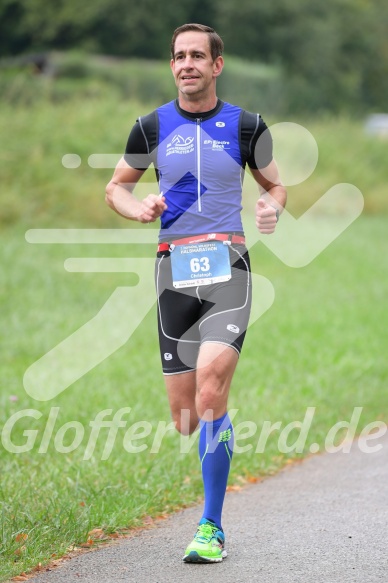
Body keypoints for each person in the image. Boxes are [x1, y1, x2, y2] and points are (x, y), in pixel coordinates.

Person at [106, 23, 287, 563]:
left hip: (228, 266)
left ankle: (211, 527)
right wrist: (135, 206)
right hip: (173, 273)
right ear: (173, 66)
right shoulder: (150, 127)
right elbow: (115, 185)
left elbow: (275, 184)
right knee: (186, 416)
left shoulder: (249, 126)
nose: (187, 64)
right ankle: (211, 435)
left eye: (197, 56)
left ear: (217, 65)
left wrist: (272, 205)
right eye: (178, 57)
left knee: (211, 388)